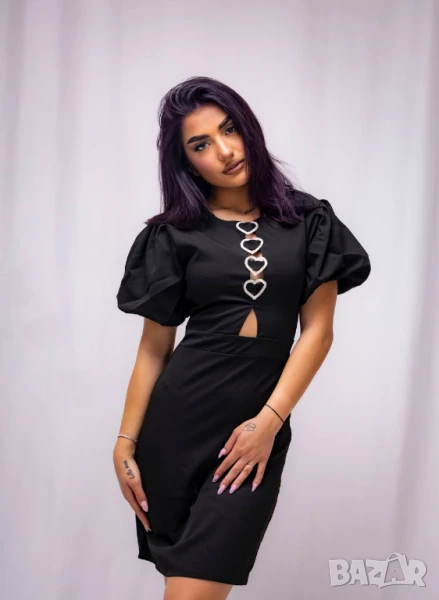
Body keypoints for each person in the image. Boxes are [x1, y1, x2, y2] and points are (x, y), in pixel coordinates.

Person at [113, 75, 371, 600]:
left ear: (248, 127)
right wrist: (124, 443)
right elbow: (154, 348)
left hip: (253, 437)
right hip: (176, 430)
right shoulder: (173, 234)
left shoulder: (309, 220)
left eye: (229, 129)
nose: (225, 151)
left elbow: (318, 334)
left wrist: (267, 424)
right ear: (187, 162)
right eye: (201, 144)